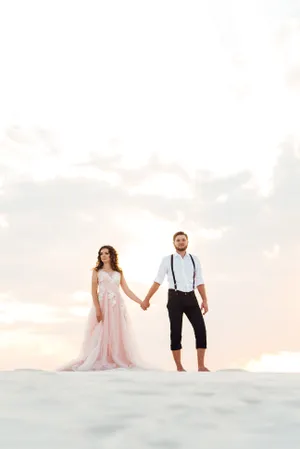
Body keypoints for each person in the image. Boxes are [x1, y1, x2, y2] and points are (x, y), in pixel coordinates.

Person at [58, 245, 143, 371]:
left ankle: (115, 357)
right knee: (102, 331)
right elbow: (93, 291)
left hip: (116, 307)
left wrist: (141, 302)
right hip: (103, 305)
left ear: (111, 255)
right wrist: (98, 309)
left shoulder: (119, 272)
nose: (103, 255)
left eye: (106, 253)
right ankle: (101, 357)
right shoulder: (97, 272)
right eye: (101, 253)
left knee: (116, 331)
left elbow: (127, 290)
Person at [141, 231, 209, 372]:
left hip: (191, 297)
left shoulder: (194, 259)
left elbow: (199, 281)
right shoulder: (167, 260)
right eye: (178, 240)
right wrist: (147, 299)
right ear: (174, 243)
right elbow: (158, 280)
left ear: (187, 242)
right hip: (175, 298)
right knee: (176, 332)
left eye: (183, 239)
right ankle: (179, 367)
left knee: (201, 329)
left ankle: (201, 366)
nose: (181, 242)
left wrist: (204, 299)